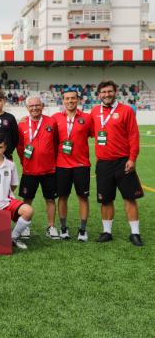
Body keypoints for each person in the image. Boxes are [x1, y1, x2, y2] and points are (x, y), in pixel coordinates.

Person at [90, 80, 143, 246]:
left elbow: (133, 135)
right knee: (105, 199)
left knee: (129, 198)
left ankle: (135, 233)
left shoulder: (126, 110)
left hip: (123, 162)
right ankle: (107, 232)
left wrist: (132, 158)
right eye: (104, 92)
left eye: (110, 91)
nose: (107, 94)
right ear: (99, 94)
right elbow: (86, 130)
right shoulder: (94, 111)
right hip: (103, 163)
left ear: (115, 92)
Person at [52, 88, 95, 241]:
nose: (70, 101)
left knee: (83, 198)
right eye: (67, 98)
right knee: (62, 197)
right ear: (62, 101)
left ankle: (83, 230)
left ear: (78, 100)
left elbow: (97, 133)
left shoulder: (88, 118)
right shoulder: (55, 117)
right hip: (61, 165)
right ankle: (63, 227)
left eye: (73, 98)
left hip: (82, 165)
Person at [16, 95, 59, 239]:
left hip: (49, 170)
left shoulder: (51, 122)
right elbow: (20, 146)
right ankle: (25, 227)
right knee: (27, 200)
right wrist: (24, 162)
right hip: (29, 171)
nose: (34, 108)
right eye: (31, 106)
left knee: (50, 199)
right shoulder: (22, 124)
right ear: (27, 108)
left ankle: (51, 227)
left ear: (42, 106)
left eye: (37, 105)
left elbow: (56, 143)